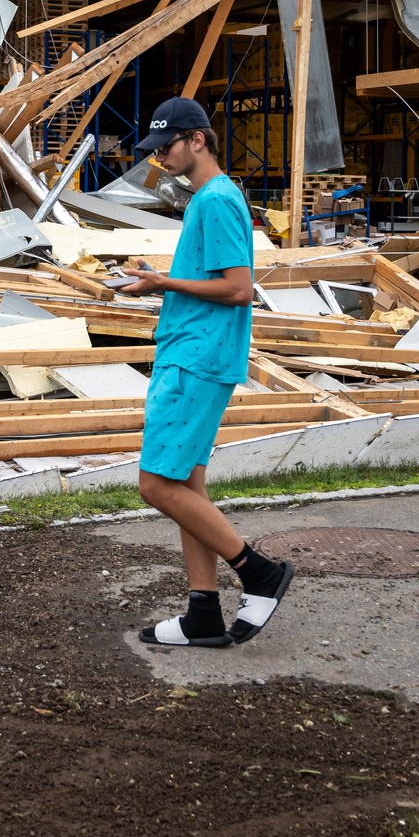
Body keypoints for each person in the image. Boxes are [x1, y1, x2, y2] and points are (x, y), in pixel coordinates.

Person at [120, 98, 294, 648]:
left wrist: (162, 285)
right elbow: (214, 277)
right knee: (185, 485)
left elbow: (239, 289)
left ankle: (259, 571)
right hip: (197, 352)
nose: (161, 159)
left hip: (194, 358)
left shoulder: (215, 199)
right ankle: (202, 612)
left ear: (197, 139)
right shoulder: (212, 198)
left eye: (166, 147)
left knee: (155, 484)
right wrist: (161, 276)